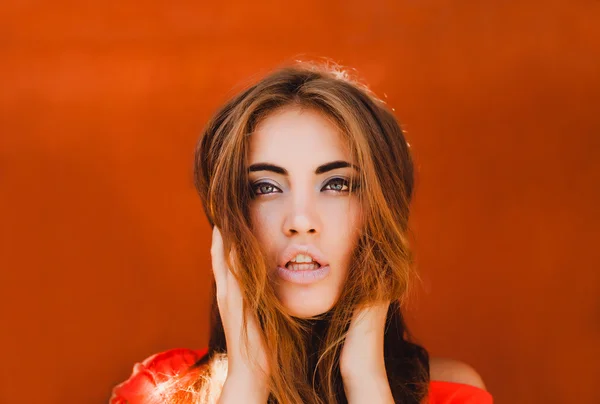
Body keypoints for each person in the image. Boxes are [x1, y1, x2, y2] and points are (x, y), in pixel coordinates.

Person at [110, 61, 493, 404]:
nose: (301, 220)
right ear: (226, 220)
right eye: (265, 187)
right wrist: (246, 382)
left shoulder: (451, 394)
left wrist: (365, 379)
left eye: (337, 184)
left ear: (383, 211)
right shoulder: (159, 392)